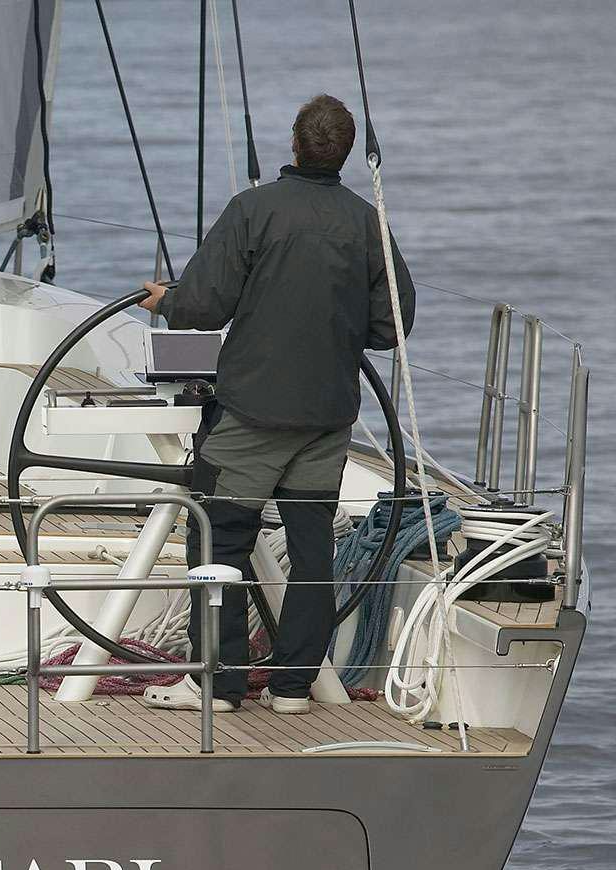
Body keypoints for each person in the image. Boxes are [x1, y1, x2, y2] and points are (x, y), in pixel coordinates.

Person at [139, 93, 415, 714]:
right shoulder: (367, 223)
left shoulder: (253, 211)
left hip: (251, 416)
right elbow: (391, 325)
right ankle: (293, 689)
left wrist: (166, 302)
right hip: (327, 419)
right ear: (343, 153)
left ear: (294, 143)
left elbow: (204, 306)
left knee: (219, 542)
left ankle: (218, 683)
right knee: (312, 549)